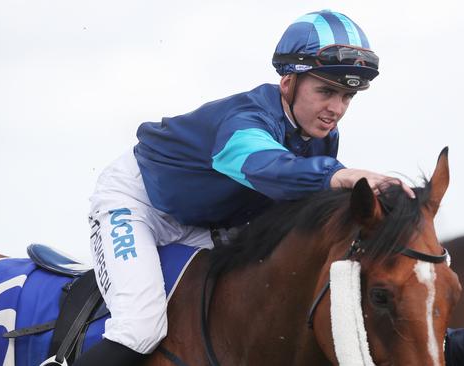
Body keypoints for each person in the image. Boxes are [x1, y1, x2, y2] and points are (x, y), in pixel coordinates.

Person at [72, 9, 413, 366]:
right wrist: (336, 176)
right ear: (287, 82)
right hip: (138, 203)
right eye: (326, 90)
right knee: (140, 328)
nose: (336, 109)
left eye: (347, 97)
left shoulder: (322, 138)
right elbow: (263, 166)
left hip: (207, 224)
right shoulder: (246, 119)